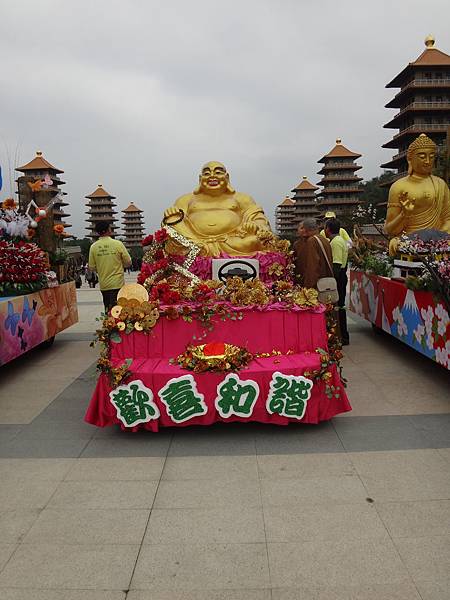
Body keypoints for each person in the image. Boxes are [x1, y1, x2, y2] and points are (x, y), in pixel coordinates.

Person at [162, 161, 272, 256]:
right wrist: (171, 215)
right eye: (206, 173)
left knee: (254, 241)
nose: (212, 176)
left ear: (227, 177)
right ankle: (198, 247)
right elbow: (173, 225)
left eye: (218, 172)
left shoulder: (242, 198)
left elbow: (259, 219)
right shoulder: (185, 199)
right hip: (194, 242)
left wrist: (255, 225)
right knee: (173, 224)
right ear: (200, 179)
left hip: (232, 242)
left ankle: (202, 250)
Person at [384, 133, 450, 255]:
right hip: (409, 240)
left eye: (431, 156)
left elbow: (448, 220)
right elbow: (390, 229)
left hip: (438, 241)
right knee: (397, 244)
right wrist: (404, 214)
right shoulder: (399, 187)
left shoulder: (441, 184)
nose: (428, 161)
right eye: (422, 156)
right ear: (410, 158)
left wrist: (438, 240)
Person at [88, 221, 132, 312]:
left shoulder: (93, 247)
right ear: (109, 230)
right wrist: (120, 265)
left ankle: (108, 324)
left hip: (104, 284)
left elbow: (91, 267)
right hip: (117, 283)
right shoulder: (118, 244)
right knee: (118, 310)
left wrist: (101, 268)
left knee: (108, 308)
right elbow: (128, 262)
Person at [325, 218, 349, 345]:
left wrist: (330, 282)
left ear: (328, 229)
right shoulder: (339, 240)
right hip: (341, 275)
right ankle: (341, 335)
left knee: (338, 307)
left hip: (338, 277)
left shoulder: (336, 242)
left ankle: (342, 336)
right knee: (339, 306)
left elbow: (337, 264)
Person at [294, 217, 333, 289]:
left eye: (303, 228)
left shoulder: (312, 241)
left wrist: (308, 288)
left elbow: (312, 267)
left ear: (306, 229)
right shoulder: (324, 240)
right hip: (326, 283)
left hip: (317, 285)